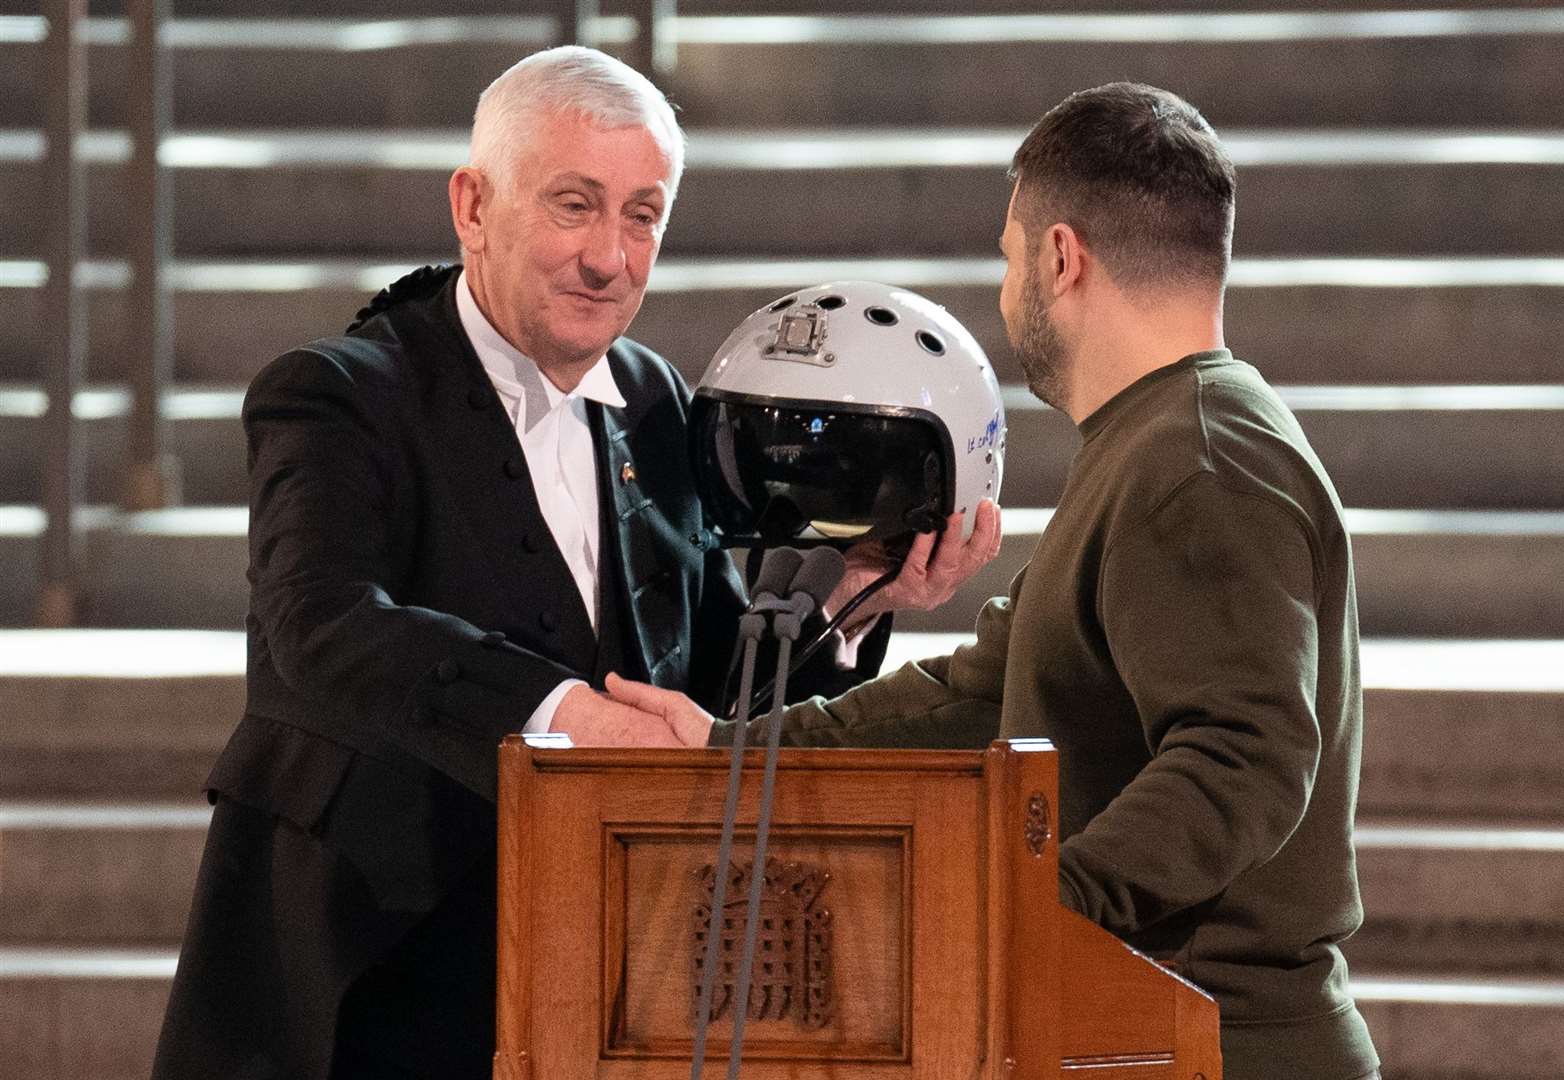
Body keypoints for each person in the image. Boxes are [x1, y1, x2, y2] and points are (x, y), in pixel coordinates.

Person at [151, 47, 998, 1080]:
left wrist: (858, 598)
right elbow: (321, 621)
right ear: (472, 205)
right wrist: (560, 715)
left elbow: (712, 684)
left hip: (610, 974)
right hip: (367, 975)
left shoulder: (654, 399)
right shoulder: (336, 394)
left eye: (642, 215)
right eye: (573, 205)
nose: (609, 256)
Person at [609, 83, 1382, 1080]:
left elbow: (1246, 756)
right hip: (1145, 1032)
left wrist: (1030, 904)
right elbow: (978, 695)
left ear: (1063, 257)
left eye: (1011, 259)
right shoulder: (1161, 442)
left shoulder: (1197, 460)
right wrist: (729, 747)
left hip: (1212, 1041)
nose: (1008, 291)